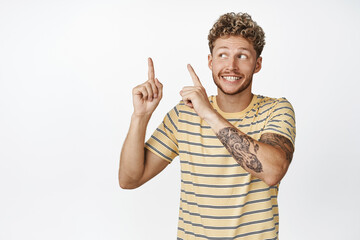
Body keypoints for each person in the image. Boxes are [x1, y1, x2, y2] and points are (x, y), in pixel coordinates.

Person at [119, 12, 296, 240]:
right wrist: (140, 116)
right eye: (223, 55)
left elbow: (273, 172)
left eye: (242, 56)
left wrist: (209, 114)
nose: (231, 66)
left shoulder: (277, 109)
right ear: (211, 62)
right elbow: (129, 180)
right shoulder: (183, 115)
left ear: (258, 64)